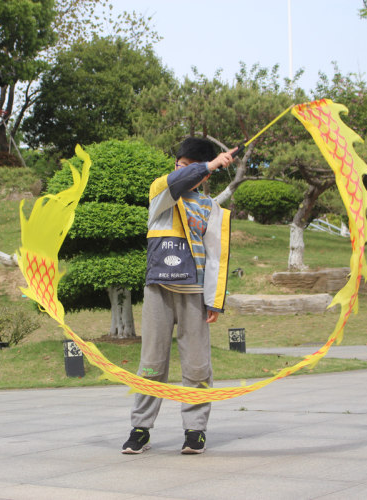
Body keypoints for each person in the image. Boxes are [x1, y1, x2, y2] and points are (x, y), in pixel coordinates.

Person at [122, 137, 235, 455]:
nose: (181, 171)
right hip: (158, 288)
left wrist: (214, 300)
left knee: (198, 366)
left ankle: (195, 431)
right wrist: (209, 164)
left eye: (191, 167)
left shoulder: (210, 208)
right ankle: (140, 429)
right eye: (179, 165)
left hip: (194, 293)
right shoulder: (161, 190)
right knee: (151, 365)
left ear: (206, 178)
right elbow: (177, 181)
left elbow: (215, 256)